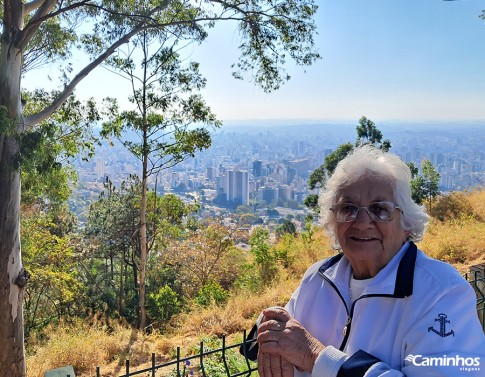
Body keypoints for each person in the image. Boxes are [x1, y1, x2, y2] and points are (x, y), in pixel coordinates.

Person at [242, 145, 485, 377]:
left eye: (380, 209)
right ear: (333, 221)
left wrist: (314, 356)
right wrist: (270, 325)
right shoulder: (319, 277)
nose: (361, 222)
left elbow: (301, 347)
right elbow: (278, 333)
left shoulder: (442, 294)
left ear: (406, 223)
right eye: (348, 208)